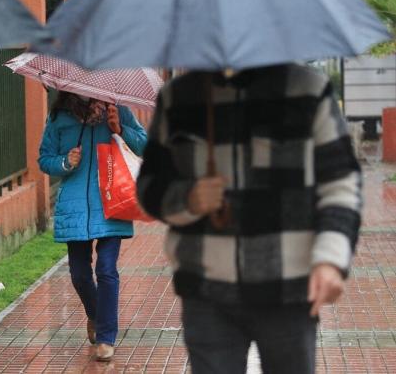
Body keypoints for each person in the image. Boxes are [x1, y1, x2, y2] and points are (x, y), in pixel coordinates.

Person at [137, 65, 361, 373]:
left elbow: (340, 183)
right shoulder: (180, 97)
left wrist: (331, 258)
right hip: (205, 290)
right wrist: (188, 198)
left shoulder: (306, 90)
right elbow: (149, 187)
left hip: (288, 288)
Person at [38, 92, 147, 361]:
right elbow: (44, 158)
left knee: (107, 269)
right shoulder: (59, 117)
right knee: (79, 275)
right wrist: (65, 162)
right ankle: (96, 315)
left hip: (112, 200)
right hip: (74, 207)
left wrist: (119, 130)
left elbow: (145, 145)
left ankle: (106, 338)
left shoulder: (117, 110)